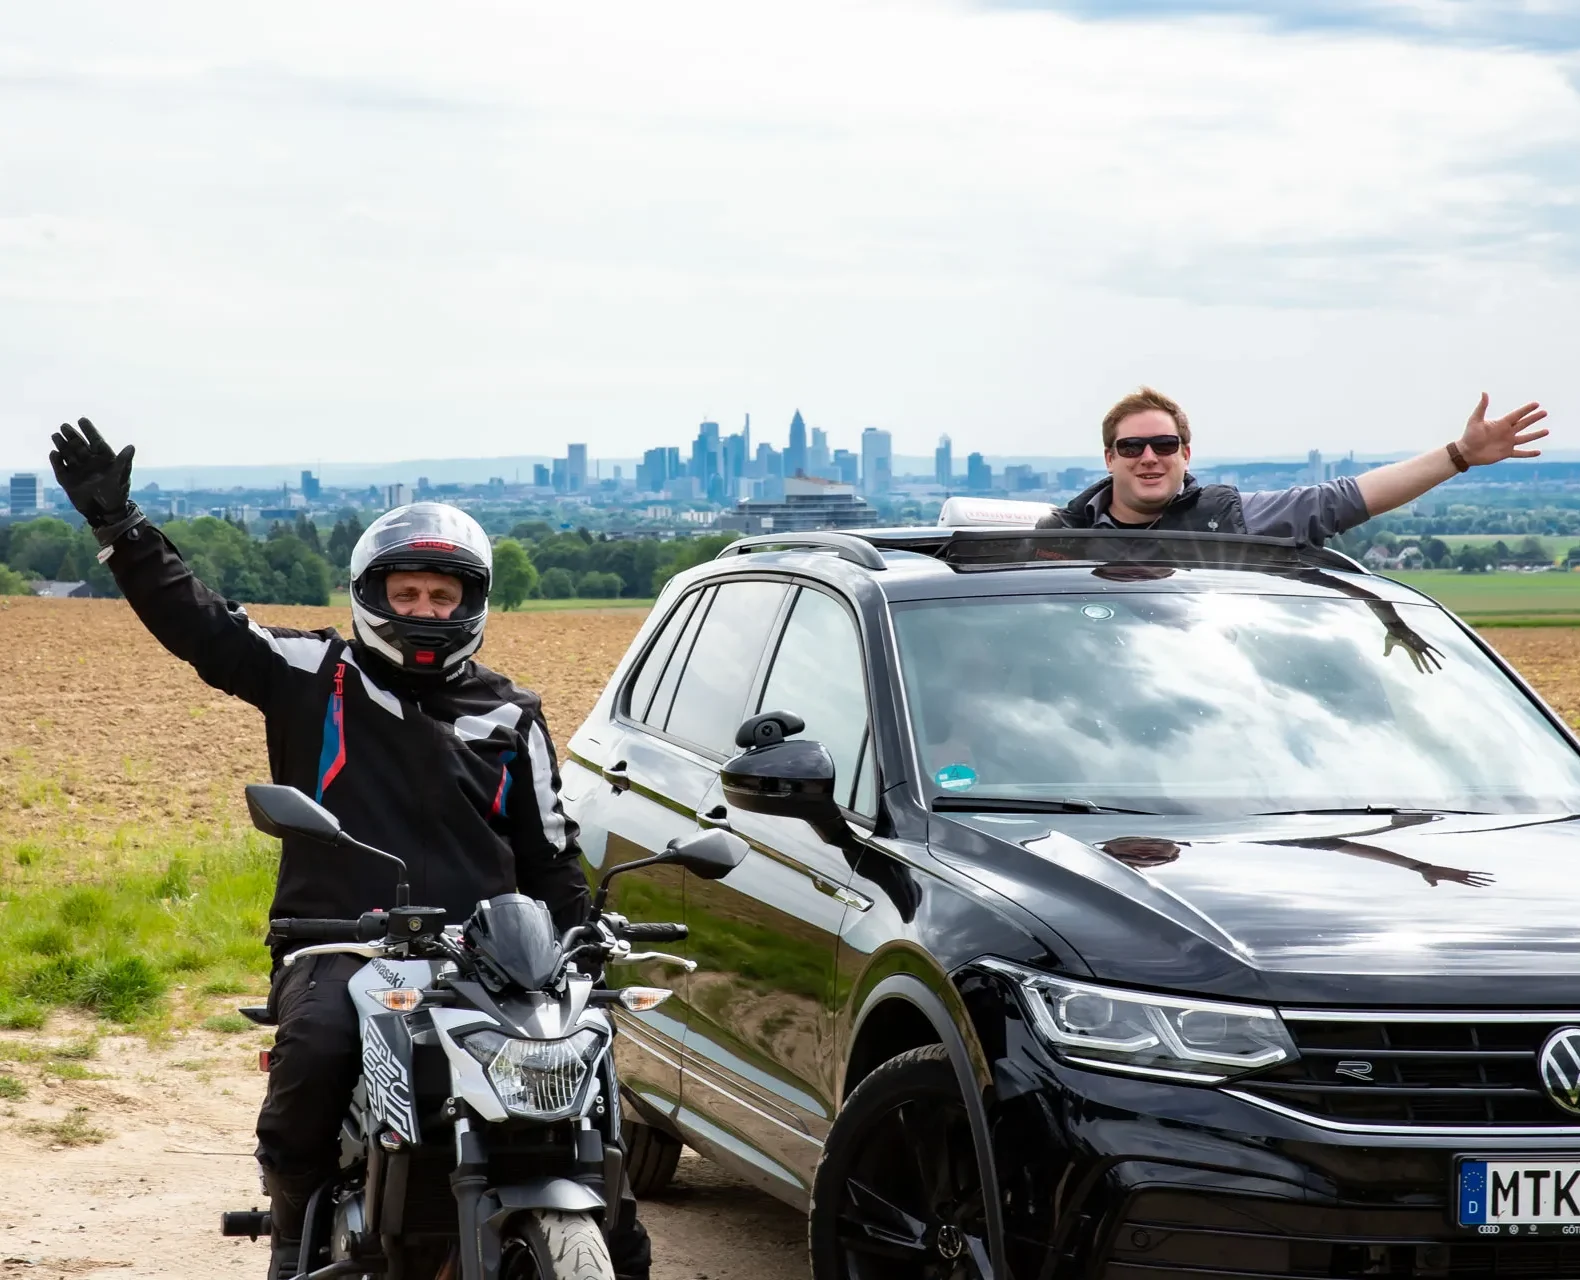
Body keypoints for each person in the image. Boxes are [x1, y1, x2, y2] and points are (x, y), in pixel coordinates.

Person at [47, 419, 651, 1280]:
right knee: (320, 1048)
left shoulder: (512, 715)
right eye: (407, 596)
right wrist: (121, 530)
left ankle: (610, 1243)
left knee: (579, 1080)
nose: (425, 613)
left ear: (471, 606)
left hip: (484, 953)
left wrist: (581, 935)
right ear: (374, 596)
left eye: (443, 599)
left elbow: (549, 853)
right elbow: (201, 625)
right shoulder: (309, 674)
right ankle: (295, 1239)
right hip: (342, 937)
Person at [1038, 386, 1549, 541]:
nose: (1149, 458)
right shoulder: (1058, 540)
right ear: (1109, 458)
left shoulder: (1225, 518)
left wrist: (1458, 456)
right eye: (1131, 448)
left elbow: (1342, 500)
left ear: (1186, 454)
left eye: (1165, 445)